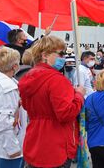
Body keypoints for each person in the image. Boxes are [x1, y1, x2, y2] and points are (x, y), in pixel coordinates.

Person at [18, 36, 85, 168]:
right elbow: (66, 113)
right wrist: (78, 95)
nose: (64, 58)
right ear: (45, 55)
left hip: (34, 141)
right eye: (61, 53)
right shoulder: (56, 79)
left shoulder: (28, 77)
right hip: (56, 145)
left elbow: (27, 106)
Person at [0, 47, 27, 168]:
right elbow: (3, 122)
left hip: (3, 146)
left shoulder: (6, 82)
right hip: (7, 149)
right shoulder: (7, 87)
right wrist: (13, 149)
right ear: (14, 66)